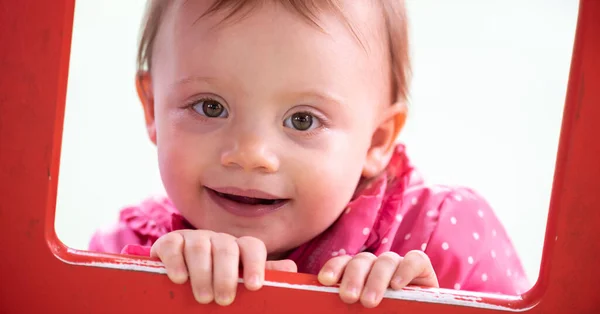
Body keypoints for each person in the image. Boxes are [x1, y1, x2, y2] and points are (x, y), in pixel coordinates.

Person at [89, 0, 530, 308]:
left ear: (376, 141)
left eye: (302, 120)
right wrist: (162, 292)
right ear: (152, 108)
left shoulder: (437, 239)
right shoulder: (127, 254)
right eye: (210, 107)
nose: (251, 155)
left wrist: (425, 308)